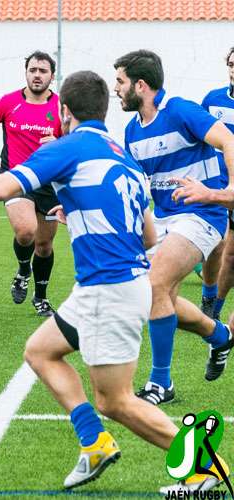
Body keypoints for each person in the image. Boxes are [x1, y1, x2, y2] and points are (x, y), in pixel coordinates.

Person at [0, 70, 228, 495]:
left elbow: (2, 186)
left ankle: (208, 467)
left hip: (108, 289)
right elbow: (149, 234)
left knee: (115, 401)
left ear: (63, 111)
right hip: (108, 286)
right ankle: (94, 442)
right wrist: (76, 211)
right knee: (40, 351)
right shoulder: (121, 154)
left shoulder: (68, 147)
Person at [115, 50, 234, 405]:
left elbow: (229, 141)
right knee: (158, 297)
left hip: (203, 214)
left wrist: (220, 193)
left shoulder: (180, 110)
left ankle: (161, 383)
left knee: (154, 285)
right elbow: (136, 188)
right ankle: (219, 335)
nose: (115, 89)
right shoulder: (132, 132)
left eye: (120, 81)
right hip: (166, 219)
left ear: (141, 85)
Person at [0, 51, 63, 316]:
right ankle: (24, 270)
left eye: (43, 71)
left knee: (44, 246)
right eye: (33, 69)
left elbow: (75, 139)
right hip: (16, 177)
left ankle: (41, 298)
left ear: (51, 76)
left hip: (49, 181)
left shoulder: (61, 107)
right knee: (25, 232)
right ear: (26, 72)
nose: (37, 75)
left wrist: (60, 143)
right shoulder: (7, 102)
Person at [198, 47, 234, 320]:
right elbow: (197, 136)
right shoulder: (213, 100)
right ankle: (213, 308)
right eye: (232, 64)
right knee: (226, 252)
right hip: (220, 186)